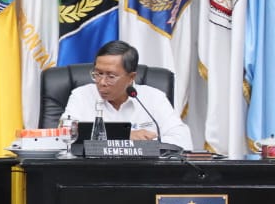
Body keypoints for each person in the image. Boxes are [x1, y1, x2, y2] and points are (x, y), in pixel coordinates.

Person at [62, 39, 192, 149]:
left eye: (111, 76)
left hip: (143, 173)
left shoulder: (154, 97)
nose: (101, 82)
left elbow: (182, 140)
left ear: (131, 77)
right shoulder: (81, 95)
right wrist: (125, 137)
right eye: (98, 74)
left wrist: (139, 144)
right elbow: (65, 134)